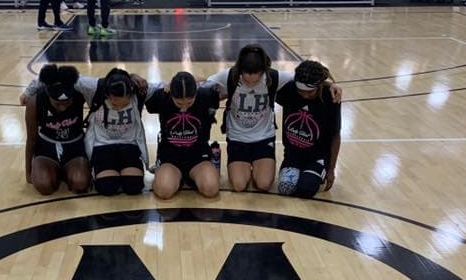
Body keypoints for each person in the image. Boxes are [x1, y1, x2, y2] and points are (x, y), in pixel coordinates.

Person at [204, 44, 342, 193]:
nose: (251, 84)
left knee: (263, 184)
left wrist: (332, 84)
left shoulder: (274, 77)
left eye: (255, 81)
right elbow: (203, 84)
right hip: (238, 138)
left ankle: (256, 167)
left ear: (264, 71)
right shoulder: (229, 76)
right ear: (240, 71)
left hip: (264, 138)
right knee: (239, 186)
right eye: (247, 80)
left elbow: (307, 78)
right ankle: (227, 162)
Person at [145, 72, 221, 200]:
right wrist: (169, 82)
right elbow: (143, 89)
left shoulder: (206, 95)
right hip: (170, 156)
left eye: (190, 102)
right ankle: (168, 174)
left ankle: (192, 176)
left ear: (196, 93)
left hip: (198, 155)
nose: (184, 108)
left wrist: (194, 79)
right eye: (179, 104)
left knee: (211, 189)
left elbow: (213, 82)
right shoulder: (162, 97)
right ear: (171, 94)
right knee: (164, 191)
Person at [21, 64, 91, 194]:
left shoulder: (80, 94)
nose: (62, 108)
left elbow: (102, 86)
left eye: (67, 102)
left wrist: (132, 77)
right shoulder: (35, 102)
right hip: (46, 149)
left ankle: (65, 171)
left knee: (81, 184)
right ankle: (55, 170)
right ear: (48, 95)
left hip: (74, 147)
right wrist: (28, 171)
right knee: (44, 186)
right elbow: (31, 138)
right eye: (57, 104)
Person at [275, 60, 341, 198]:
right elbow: (269, 78)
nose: (304, 95)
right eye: (301, 91)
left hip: (317, 157)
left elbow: (335, 135)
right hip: (293, 155)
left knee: (306, 189)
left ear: (319, 86)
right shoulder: (289, 89)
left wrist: (331, 169)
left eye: (309, 92)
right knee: (285, 188)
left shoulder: (330, 97)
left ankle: (315, 172)